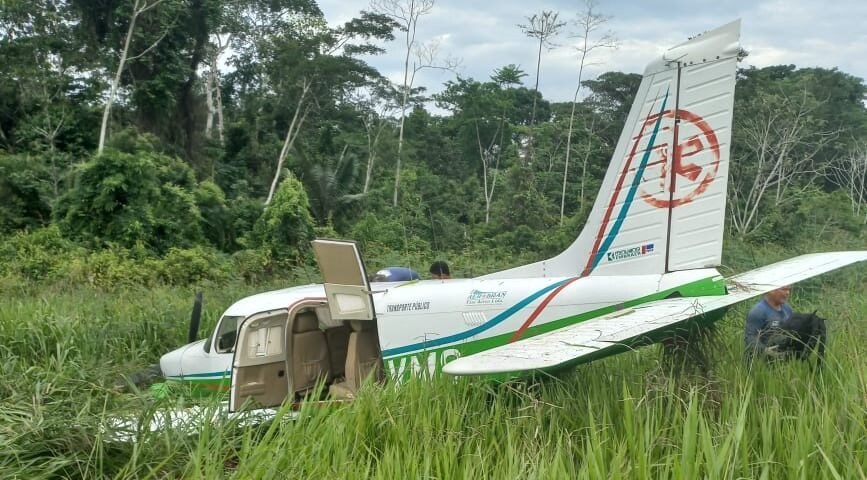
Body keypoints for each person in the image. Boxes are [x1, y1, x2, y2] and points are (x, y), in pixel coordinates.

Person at [744, 285, 794, 360]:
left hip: (784, 360)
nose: (787, 292)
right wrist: (765, 351)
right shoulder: (758, 311)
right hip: (763, 361)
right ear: (771, 290)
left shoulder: (787, 309)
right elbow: (750, 337)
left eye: (788, 289)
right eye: (784, 289)